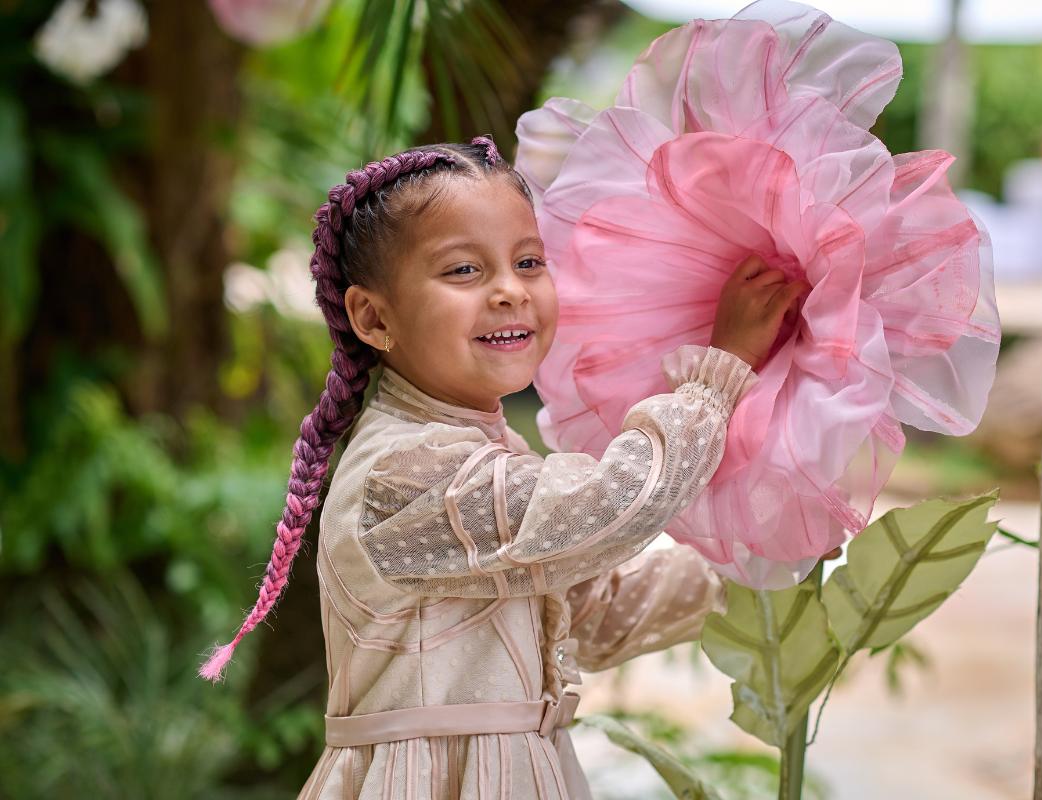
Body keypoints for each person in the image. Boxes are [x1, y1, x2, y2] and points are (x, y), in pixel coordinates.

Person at [199, 136, 833, 799]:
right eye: (463, 271)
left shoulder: (482, 453)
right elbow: (616, 504)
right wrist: (719, 370)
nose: (509, 290)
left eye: (528, 261)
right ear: (373, 317)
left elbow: (600, 616)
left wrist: (768, 550)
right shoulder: (405, 469)